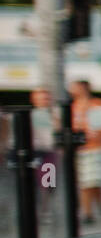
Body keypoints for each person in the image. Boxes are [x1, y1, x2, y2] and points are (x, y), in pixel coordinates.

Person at [69, 80, 101, 224]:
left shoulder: (97, 104)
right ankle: (96, 209)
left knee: (91, 181)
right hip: (78, 149)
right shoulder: (72, 107)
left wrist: (94, 139)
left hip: (93, 148)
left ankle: (91, 211)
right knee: (87, 182)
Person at [29, 87, 60, 219]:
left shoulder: (55, 113)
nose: (43, 100)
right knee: (36, 182)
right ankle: (39, 209)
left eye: (46, 98)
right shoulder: (30, 114)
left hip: (50, 151)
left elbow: (59, 129)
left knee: (48, 182)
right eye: (40, 98)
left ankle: (46, 208)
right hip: (35, 151)